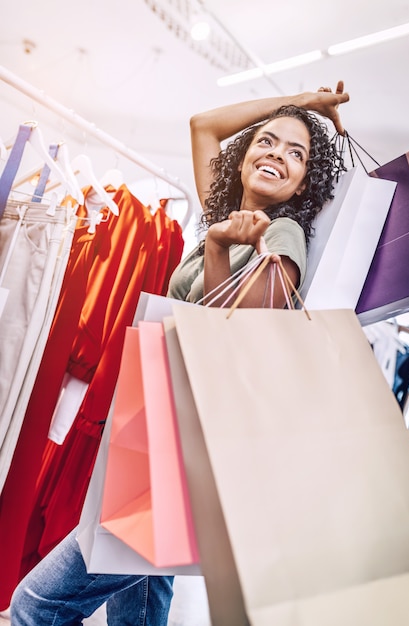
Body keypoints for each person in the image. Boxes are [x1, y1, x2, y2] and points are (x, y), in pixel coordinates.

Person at [10, 81, 349, 625]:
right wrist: (303, 106)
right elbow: (204, 126)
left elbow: (225, 335)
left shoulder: (283, 233)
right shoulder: (223, 217)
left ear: (305, 182)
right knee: (139, 612)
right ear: (242, 159)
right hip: (158, 440)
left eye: (296, 154)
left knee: (34, 605)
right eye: (266, 141)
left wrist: (218, 249)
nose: (277, 155)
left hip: (180, 460)